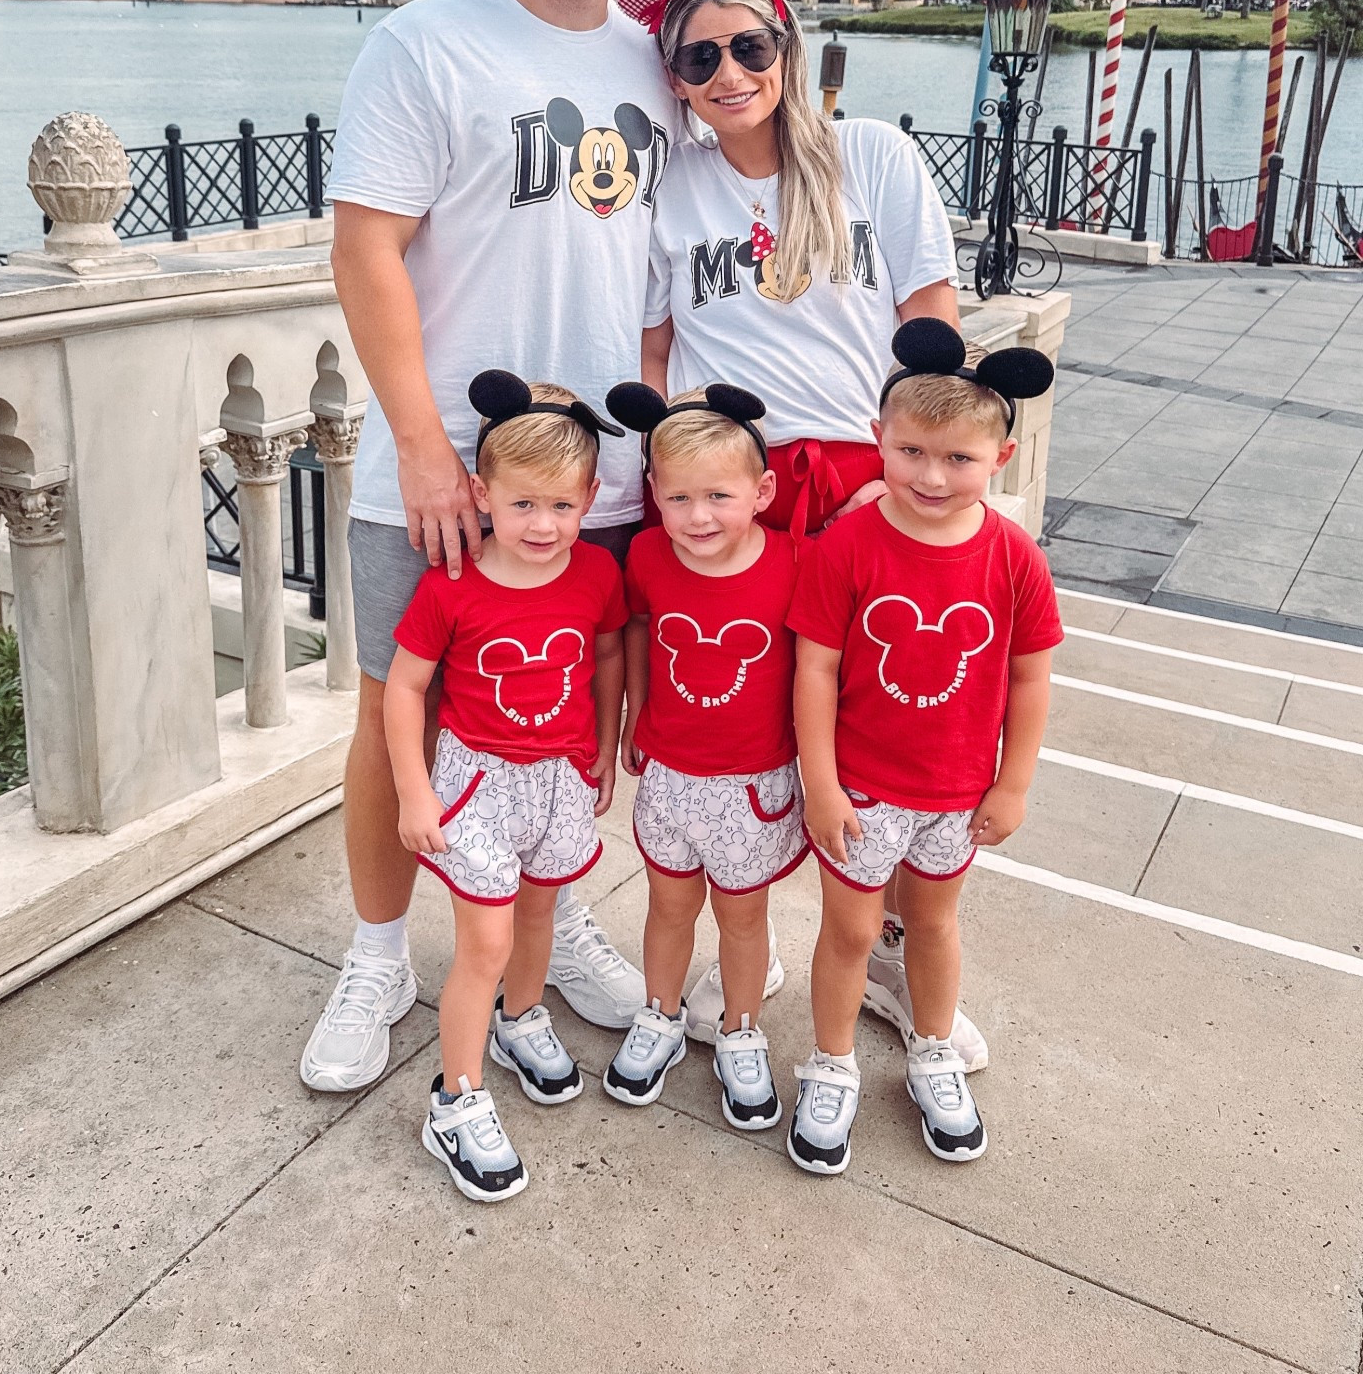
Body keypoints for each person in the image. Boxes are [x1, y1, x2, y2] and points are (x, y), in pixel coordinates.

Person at [304, 0, 678, 1096]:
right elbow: (368, 250)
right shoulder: (424, 42)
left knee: (571, 710)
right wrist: (417, 441)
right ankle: (376, 954)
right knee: (391, 715)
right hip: (451, 464)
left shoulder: (662, 62)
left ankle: (554, 919)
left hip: (607, 474)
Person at [613, 0, 985, 1069]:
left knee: (883, 724)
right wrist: (662, 476)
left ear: (786, 43)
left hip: (869, 486)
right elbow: (655, 354)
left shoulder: (870, 155)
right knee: (763, 713)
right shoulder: (671, 190)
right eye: (699, 58)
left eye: (749, 49)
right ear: (673, 73)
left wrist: (930, 480)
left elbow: (929, 319)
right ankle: (751, 933)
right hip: (749, 489)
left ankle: (880, 951)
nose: (728, 74)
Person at [785, 320, 1062, 1175]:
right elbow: (817, 672)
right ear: (879, 442)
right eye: (910, 452)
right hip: (862, 790)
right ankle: (830, 1065)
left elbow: (1029, 679)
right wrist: (821, 784)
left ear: (1000, 459)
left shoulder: (1013, 557)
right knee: (850, 929)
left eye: (958, 459)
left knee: (935, 924)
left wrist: (1012, 785)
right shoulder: (849, 547)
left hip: (955, 791)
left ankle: (933, 1049)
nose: (931, 477)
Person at [385, 372, 627, 1202]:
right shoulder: (452, 584)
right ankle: (456, 1099)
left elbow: (604, 655)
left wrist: (605, 740)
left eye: (562, 506)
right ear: (483, 492)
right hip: (478, 783)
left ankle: (520, 1020)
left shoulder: (595, 573)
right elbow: (404, 688)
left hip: (558, 779)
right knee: (483, 944)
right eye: (523, 505)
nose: (543, 524)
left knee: (539, 916)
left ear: (591, 496)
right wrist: (415, 793)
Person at [599, 382, 805, 1130]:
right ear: (653, 492)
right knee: (668, 905)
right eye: (679, 497)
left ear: (762, 491)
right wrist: (633, 715)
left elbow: (817, 668)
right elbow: (639, 634)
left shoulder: (791, 561)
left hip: (754, 781)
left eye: (718, 495)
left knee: (744, 920)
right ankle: (660, 1014)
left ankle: (740, 1029)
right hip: (671, 775)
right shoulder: (649, 555)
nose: (698, 516)